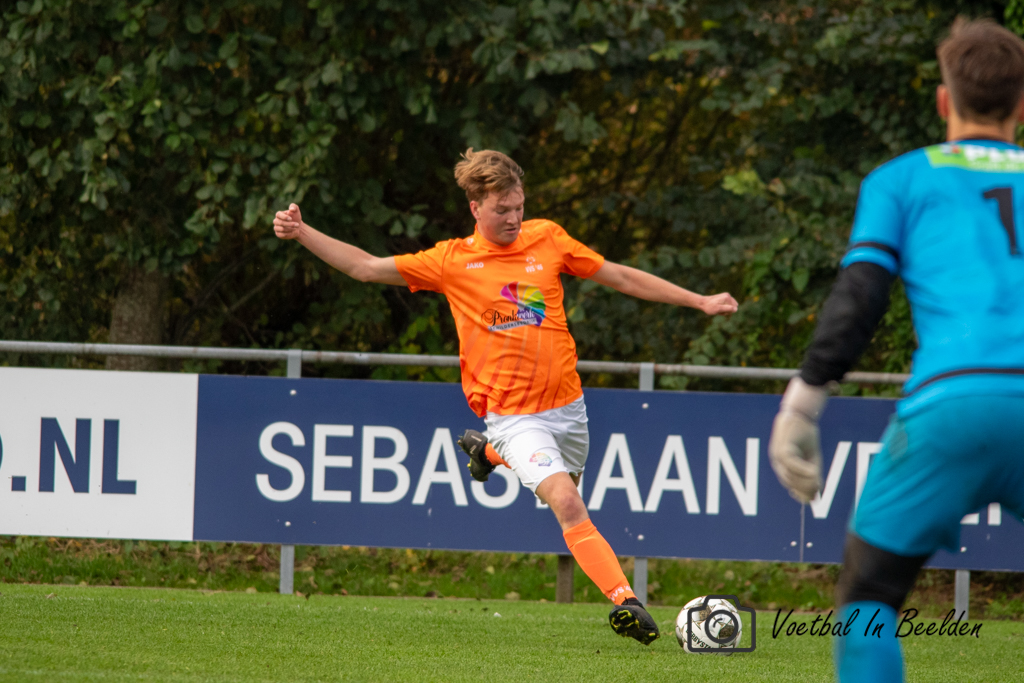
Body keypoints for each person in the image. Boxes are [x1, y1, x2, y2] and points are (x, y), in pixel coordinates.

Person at [274, 148, 738, 644]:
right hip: (513, 416)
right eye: (502, 210)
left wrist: (699, 300)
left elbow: (620, 276)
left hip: (569, 409)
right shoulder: (451, 261)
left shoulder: (547, 238)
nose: (514, 218)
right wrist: (302, 232)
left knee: (568, 487)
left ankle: (488, 453)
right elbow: (365, 267)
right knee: (568, 504)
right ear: (475, 207)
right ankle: (626, 603)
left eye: (519, 206)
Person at [768, 17, 1024, 683]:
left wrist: (802, 404)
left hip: (950, 404)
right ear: (1021, 106)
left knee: (868, 597)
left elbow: (859, 297)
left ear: (943, 101)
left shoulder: (900, 179)